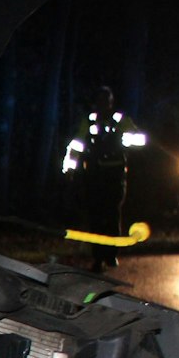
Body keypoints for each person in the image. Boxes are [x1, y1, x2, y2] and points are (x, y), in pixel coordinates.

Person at [61, 86, 148, 266]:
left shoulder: (121, 121)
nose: (102, 105)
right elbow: (76, 146)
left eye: (105, 101)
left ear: (111, 103)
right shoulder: (90, 122)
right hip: (94, 176)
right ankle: (98, 257)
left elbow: (141, 140)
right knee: (95, 218)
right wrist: (69, 168)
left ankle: (110, 254)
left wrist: (125, 140)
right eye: (100, 101)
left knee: (112, 216)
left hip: (114, 176)